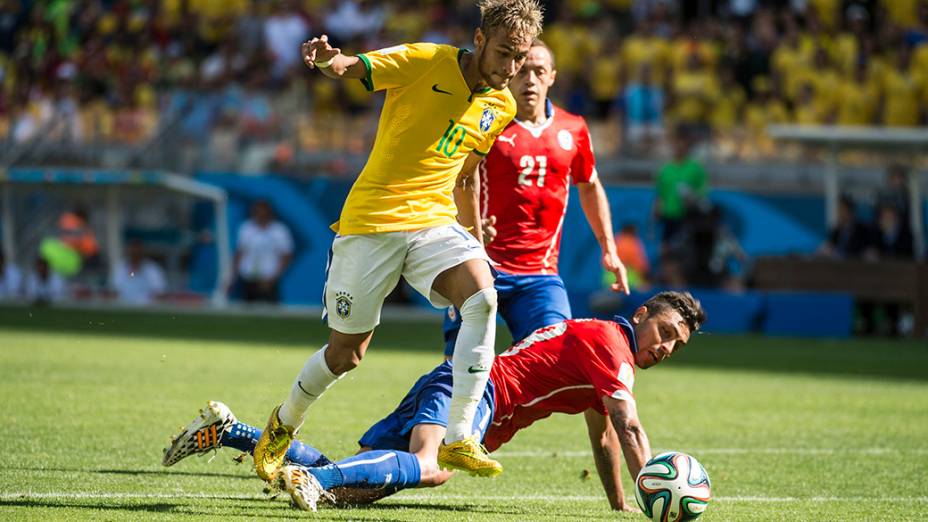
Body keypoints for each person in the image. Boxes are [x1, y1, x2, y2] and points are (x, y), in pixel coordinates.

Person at [251, 0, 544, 483]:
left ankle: (458, 438)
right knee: (345, 355)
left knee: (482, 297)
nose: (511, 68)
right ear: (479, 39)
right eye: (505, 54)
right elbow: (352, 66)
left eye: (521, 57)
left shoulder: (502, 104)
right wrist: (328, 60)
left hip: (433, 221)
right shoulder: (426, 60)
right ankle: (282, 426)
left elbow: (466, 177)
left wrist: (474, 239)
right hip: (371, 222)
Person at [163, 291, 705, 513]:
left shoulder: (601, 351)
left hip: (458, 385)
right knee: (431, 469)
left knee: (355, 488)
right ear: (642, 315)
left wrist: (620, 503)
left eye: (676, 345)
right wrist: (656, 488)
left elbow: (607, 431)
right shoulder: (612, 346)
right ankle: (314, 479)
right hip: (476, 391)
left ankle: (228, 431)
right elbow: (629, 428)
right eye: (666, 330)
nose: (666, 346)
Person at [443, 39, 629, 357]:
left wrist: (608, 248)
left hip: (540, 275)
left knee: (556, 359)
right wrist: (468, 228)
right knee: (461, 365)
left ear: (552, 76)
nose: (530, 80)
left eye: (539, 71)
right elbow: (451, 179)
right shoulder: (485, 118)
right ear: (511, 71)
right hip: (480, 264)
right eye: (524, 70)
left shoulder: (574, 129)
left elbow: (589, 184)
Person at [233, 200, 294, 303]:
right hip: (247, 279)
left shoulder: (279, 230)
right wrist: (234, 275)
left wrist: (274, 277)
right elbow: (239, 253)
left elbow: (287, 256)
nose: (259, 214)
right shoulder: (246, 228)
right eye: (257, 211)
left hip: (269, 280)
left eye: (262, 211)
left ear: (269, 212)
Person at [111, 241, 167, 305]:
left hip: (147, 309)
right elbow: (114, 292)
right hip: (124, 308)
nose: (135, 256)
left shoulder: (152, 270)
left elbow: (159, 293)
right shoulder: (120, 268)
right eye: (133, 254)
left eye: (137, 254)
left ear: (142, 254)